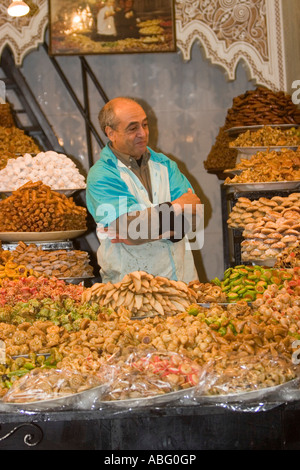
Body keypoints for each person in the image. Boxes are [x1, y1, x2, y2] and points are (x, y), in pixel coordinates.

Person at [86, 97, 202, 284]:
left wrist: (143, 231)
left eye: (145, 125)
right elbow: (132, 229)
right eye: (133, 128)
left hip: (183, 284)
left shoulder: (166, 165)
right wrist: (178, 206)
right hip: (131, 291)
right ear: (111, 133)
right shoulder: (102, 175)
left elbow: (194, 217)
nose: (143, 133)